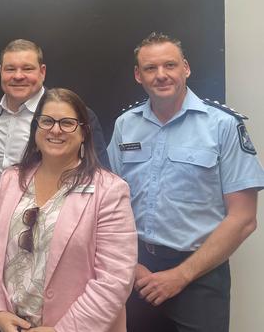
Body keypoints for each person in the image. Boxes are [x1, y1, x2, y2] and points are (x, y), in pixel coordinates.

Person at [107, 32, 264, 332]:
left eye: (170, 65)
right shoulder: (125, 125)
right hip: (135, 271)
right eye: (150, 68)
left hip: (199, 276)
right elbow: (108, 205)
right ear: (138, 75)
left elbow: (243, 219)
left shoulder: (223, 125)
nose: (161, 75)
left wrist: (180, 276)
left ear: (186, 68)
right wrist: (131, 265)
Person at [0, 88, 137, 332]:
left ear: (84, 132)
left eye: (67, 123)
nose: (56, 130)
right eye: (47, 121)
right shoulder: (11, 180)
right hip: (13, 325)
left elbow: (114, 279)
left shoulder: (110, 191)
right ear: (36, 128)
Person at [0, 39, 110, 234]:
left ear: (42, 72)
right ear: (0, 71)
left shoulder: (75, 116)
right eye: (10, 69)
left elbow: (100, 179)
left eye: (27, 68)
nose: (18, 76)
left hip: (53, 236)